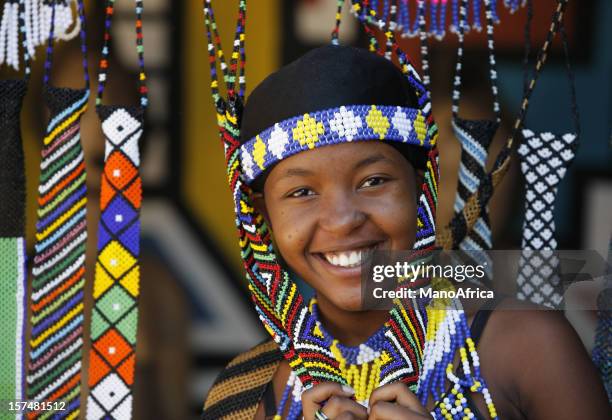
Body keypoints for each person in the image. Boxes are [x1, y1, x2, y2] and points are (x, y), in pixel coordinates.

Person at [201, 45, 611, 420]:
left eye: (373, 181)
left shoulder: (529, 348)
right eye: (302, 192)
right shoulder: (242, 392)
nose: (343, 219)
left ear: (422, 190)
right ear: (262, 218)